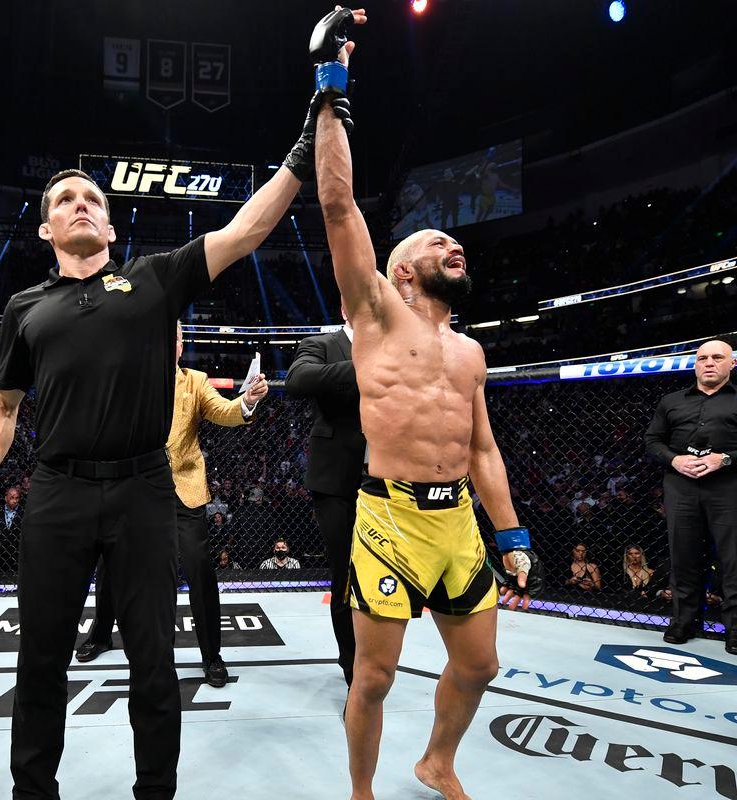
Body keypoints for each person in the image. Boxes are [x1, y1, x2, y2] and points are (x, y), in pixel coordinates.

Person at [0, 75, 324, 795]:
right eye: (64, 200)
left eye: (91, 199)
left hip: (146, 488)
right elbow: (1, 406)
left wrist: (301, 149)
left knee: (152, 660)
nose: (79, 205)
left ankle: (156, 792)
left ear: (111, 228)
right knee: (41, 659)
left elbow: (245, 231)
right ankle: (34, 791)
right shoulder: (24, 307)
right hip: (56, 492)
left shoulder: (152, 280)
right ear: (46, 230)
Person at [311, 8, 542, 799]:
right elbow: (339, 207)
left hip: (458, 525)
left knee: (479, 664)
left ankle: (437, 759)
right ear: (401, 271)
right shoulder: (374, 314)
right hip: (388, 520)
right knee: (372, 678)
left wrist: (508, 528)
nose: (455, 245)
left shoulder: (472, 351)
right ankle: (362, 791)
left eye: (458, 243)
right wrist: (331, 88)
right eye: (435, 242)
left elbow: (482, 450)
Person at [75, 323, 268, 689]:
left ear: (180, 345)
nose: (168, 343)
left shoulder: (194, 381)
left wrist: (248, 401)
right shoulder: (128, 379)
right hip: (135, 489)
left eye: (174, 338)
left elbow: (225, 411)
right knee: (110, 563)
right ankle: (101, 634)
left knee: (199, 570)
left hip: (183, 489)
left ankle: (212, 655)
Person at [286, 307, 364, 685]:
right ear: (346, 308)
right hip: (336, 477)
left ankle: (376, 661)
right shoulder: (321, 343)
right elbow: (298, 380)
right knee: (344, 574)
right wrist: (365, 363)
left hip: (388, 475)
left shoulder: (396, 344)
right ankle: (352, 667)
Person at [643, 338, 737, 653]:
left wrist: (723, 458)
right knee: (682, 555)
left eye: (717, 357)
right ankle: (684, 621)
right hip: (681, 486)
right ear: (695, 364)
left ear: (731, 363)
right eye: (703, 358)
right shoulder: (671, 401)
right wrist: (675, 459)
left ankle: (734, 628)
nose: (709, 363)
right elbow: (652, 440)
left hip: (728, 486)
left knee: (733, 558)